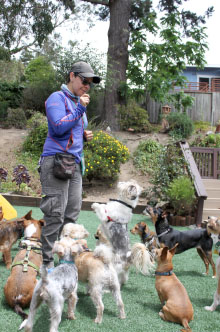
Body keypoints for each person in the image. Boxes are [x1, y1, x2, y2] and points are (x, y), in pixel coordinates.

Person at [39, 61, 101, 269]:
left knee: (71, 215)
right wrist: (79, 109)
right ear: (73, 76)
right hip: (56, 161)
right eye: (84, 81)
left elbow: (71, 130)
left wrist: (83, 136)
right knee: (55, 215)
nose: (87, 86)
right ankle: (46, 265)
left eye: (91, 83)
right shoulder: (57, 98)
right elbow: (57, 127)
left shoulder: (78, 104)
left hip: (73, 164)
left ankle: (64, 263)